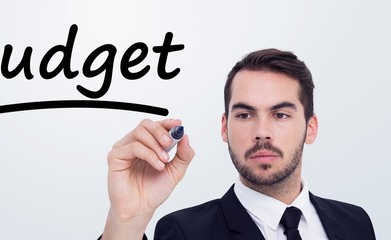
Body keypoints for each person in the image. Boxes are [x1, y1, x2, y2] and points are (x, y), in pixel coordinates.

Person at [99, 49, 376, 240]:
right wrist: (125, 221)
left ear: (310, 128)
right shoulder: (184, 233)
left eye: (280, 115)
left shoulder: (355, 223)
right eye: (245, 115)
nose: (262, 132)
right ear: (224, 127)